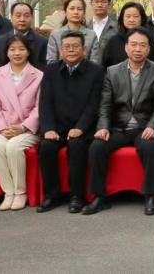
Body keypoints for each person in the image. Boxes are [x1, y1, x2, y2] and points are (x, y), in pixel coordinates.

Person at [84, 28, 154, 216]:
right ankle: (99, 197)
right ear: (126, 48)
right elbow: (105, 105)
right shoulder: (112, 72)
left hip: (144, 127)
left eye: (142, 45)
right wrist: (103, 127)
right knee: (97, 146)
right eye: (134, 44)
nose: (138, 49)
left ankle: (150, 196)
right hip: (119, 128)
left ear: (148, 49)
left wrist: (152, 126)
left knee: (150, 147)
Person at [36, 31, 104, 214]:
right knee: (46, 147)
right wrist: (48, 128)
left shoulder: (96, 71)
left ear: (84, 50)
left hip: (84, 128)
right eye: (67, 47)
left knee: (76, 146)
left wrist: (80, 128)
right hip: (57, 127)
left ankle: (77, 196)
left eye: (75, 46)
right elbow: (45, 102)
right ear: (60, 50)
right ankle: (51, 195)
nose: (71, 50)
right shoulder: (51, 71)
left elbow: (94, 105)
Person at [0, 35, 43, 211]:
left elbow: (40, 108)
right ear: (6, 52)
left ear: (28, 52)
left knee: (14, 147)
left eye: (21, 49)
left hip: (28, 129)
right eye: (12, 49)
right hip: (4, 128)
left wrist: (23, 127)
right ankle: (8, 192)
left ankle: (20, 192)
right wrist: (2, 129)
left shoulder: (38, 75)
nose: (17, 53)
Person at [0, 2, 49, 70]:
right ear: (11, 18)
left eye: (26, 16)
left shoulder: (42, 42)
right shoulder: (0, 41)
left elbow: (46, 68)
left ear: (32, 18)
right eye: (18, 16)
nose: (22, 19)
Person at [100, 2, 154, 67]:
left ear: (142, 18)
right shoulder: (113, 42)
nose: (131, 20)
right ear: (122, 18)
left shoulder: (150, 41)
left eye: (135, 16)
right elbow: (105, 66)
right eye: (128, 16)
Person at [47, 0, 98, 64]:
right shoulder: (55, 35)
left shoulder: (92, 35)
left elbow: (94, 62)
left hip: (86, 70)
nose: (76, 12)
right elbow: (51, 62)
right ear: (65, 12)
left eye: (79, 9)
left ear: (84, 13)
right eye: (72, 8)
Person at [87, 0, 120, 66]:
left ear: (109, 4)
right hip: (87, 70)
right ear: (91, 3)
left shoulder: (117, 28)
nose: (99, 5)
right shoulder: (85, 27)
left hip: (109, 70)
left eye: (103, 2)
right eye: (96, 2)